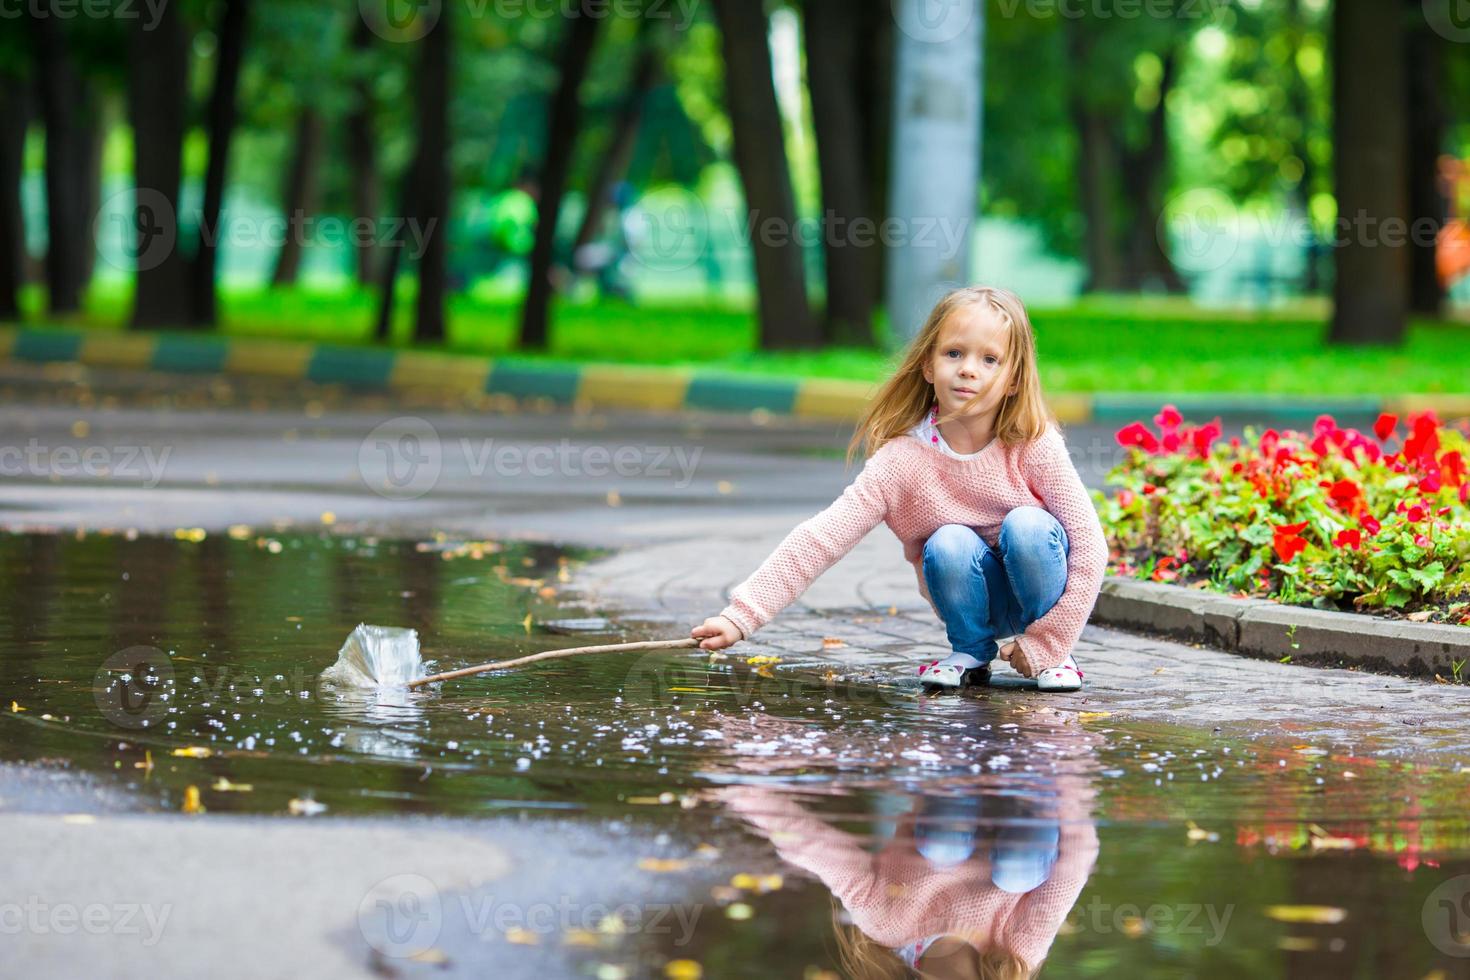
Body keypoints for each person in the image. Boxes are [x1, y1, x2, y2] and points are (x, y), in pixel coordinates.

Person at [689, 285, 1106, 692]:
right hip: (972, 597)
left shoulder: (1031, 442)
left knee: (1028, 525)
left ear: (1014, 380)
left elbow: (1090, 544)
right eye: (954, 353)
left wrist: (1050, 640)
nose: (968, 369)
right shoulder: (903, 460)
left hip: (1043, 592)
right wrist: (740, 617)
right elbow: (823, 537)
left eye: (990, 359)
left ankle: (1057, 659)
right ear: (928, 365)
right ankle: (970, 652)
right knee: (948, 542)